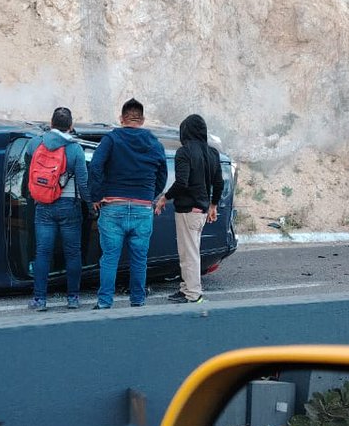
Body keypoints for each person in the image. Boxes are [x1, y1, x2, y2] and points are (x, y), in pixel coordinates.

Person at [87, 98, 168, 309]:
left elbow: (95, 166)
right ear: (142, 119)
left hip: (113, 207)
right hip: (143, 208)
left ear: (122, 118)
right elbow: (163, 172)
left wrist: (96, 196)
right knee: (139, 259)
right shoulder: (154, 142)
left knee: (110, 259)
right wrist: (151, 194)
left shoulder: (111, 139)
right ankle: (138, 301)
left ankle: (105, 302)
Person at [154, 114, 224, 303]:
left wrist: (164, 198)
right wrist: (213, 205)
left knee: (189, 254)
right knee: (188, 252)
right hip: (200, 211)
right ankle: (186, 289)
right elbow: (219, 183)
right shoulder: (213, 153)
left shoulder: (184, 152)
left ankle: (193, 295)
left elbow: (182, 182)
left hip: (188, 211)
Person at [24, 107, 89, 310]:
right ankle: (73, 298)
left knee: (42, 252)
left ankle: (40, 300)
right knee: (72, 253)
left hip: (43, 205)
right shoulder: (75, 149)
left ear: (51, 124)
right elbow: (83, 182)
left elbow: (28, 166)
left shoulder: (36, 143)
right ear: (71, 126)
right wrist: (91, 205)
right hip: (69, 206)